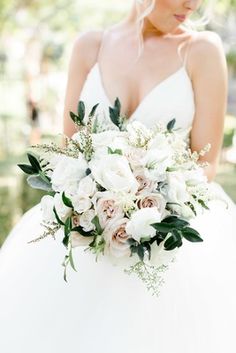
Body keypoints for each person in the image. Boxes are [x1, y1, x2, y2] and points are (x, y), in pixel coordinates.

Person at [0, 1, 236, 352]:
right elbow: (69, 150)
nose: (193, 3)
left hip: (170, 230)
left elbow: (206, 162)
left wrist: (146, 207)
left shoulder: (201, 50)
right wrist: (99, 206)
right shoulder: (89, 47)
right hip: (89, 226)